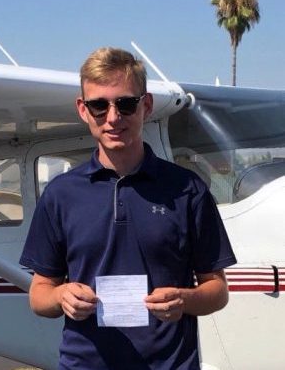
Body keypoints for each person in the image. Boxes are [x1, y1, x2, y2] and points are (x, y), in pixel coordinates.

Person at [19, 47, 237, 370]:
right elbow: (39, 294)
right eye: (98, 105)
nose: (112, 117)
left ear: (145, 106)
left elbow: (217, 290)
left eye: (125, 103)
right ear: (83, 109)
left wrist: (185, 299)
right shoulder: (61, 194)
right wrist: (62, 295)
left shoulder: (188, 190)